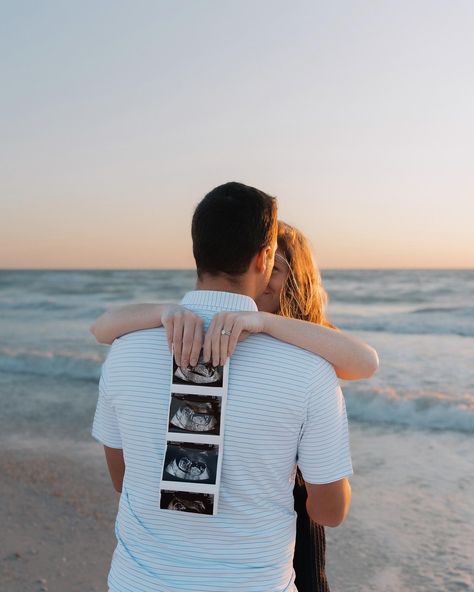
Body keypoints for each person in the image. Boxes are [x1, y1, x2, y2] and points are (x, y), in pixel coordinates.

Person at [91, 181, 354, 592]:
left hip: (136, 582)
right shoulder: (309, 370)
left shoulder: (124, 352)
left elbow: (123, 479)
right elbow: (329, 511)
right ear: (264, 258)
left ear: (198, 252)